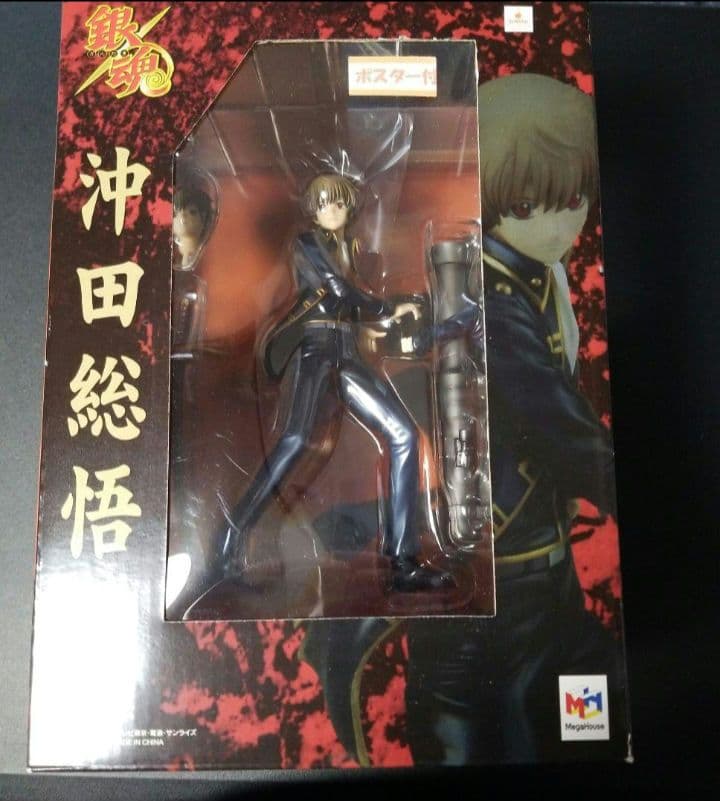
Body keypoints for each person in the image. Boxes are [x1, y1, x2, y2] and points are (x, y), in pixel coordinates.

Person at [303, 75, 628, 764]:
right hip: (493, 576)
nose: (561, 225)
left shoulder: (537, 277)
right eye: (531, 205)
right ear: (497, 200)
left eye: (575, 200)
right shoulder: (497, 302)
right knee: (475, 734)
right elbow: (560, 425)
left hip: (540, 566)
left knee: (580, 718)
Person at [217, 173, 456, 594]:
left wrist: (392, 312)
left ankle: (403, 562)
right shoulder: (308, 244)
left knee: (403, 434)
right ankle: (231, 536)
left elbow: (353, 305)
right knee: (295, 441)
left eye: (339, 203)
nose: (331, 210)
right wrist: (388, 308)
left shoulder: (353, 249)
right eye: (324, 203)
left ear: (349, 207)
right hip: (317, 352)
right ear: (313, 209)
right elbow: (339, 291)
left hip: (347, 355)